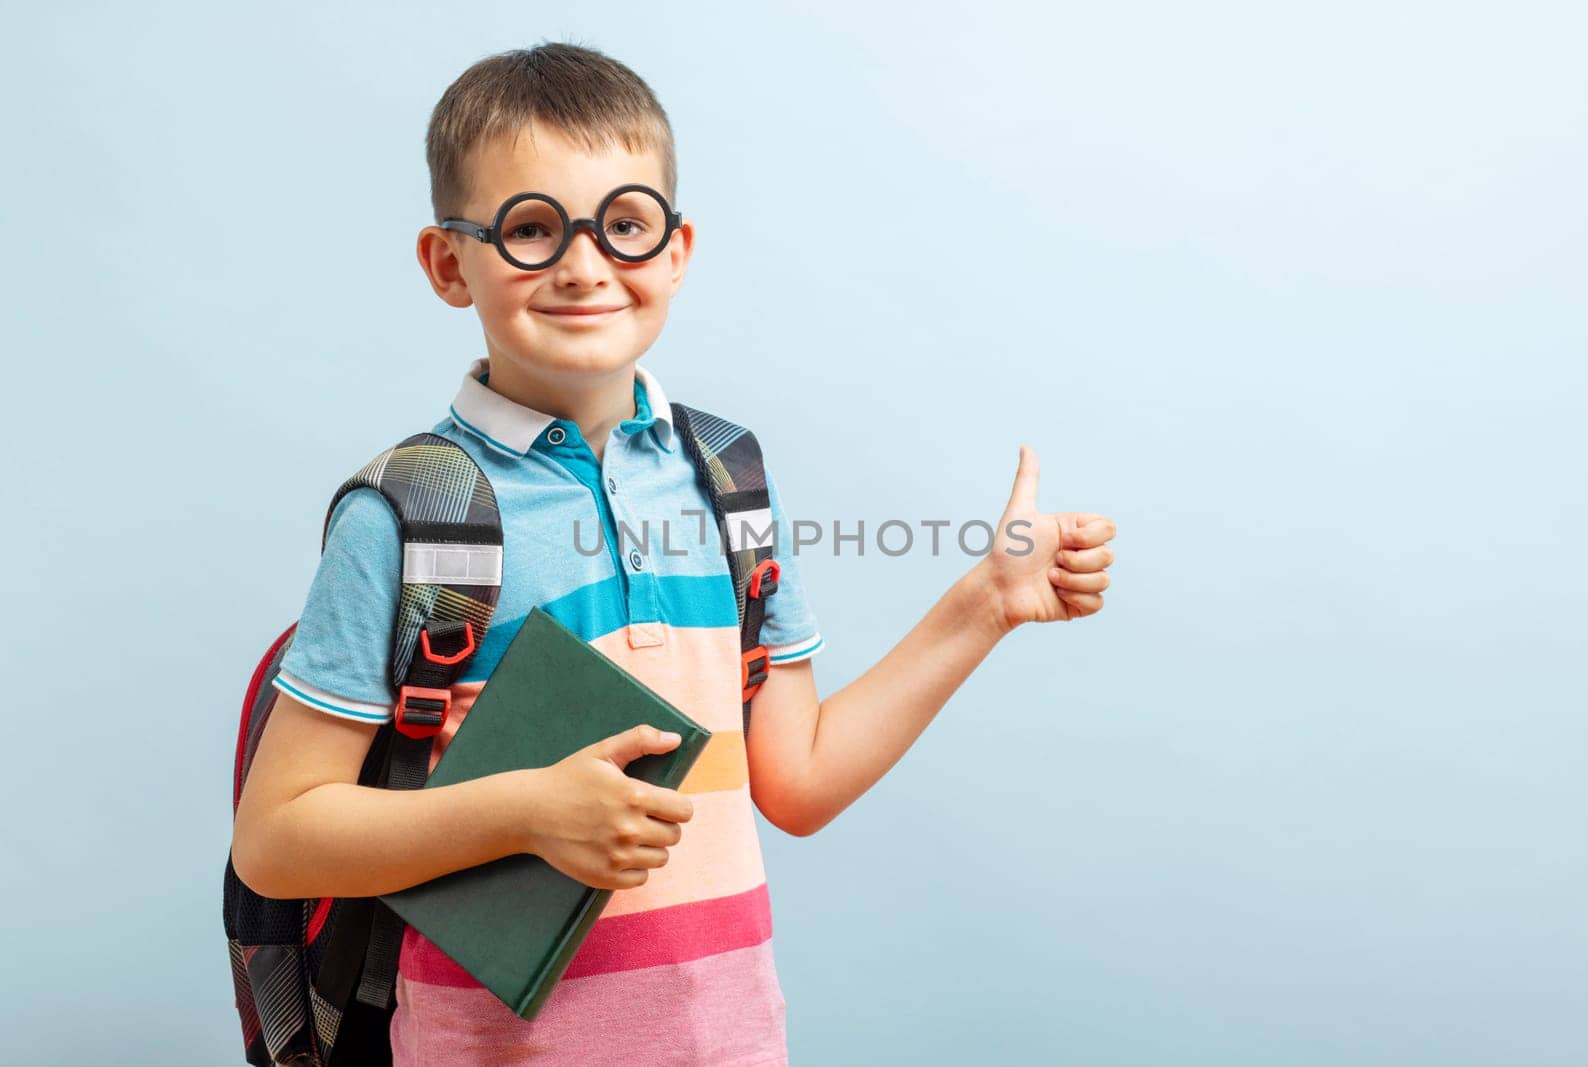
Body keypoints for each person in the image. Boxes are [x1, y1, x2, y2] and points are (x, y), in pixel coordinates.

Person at [230, 41, 1117, 1066]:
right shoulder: (412, 512)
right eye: (529, 229)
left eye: (625, 225)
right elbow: (278, 837)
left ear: (677, 248)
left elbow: (801, 781)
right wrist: (525, 810)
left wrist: (986, 603)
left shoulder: (727, 476)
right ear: (447, 262)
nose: (583, 265)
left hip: (730, 1040)